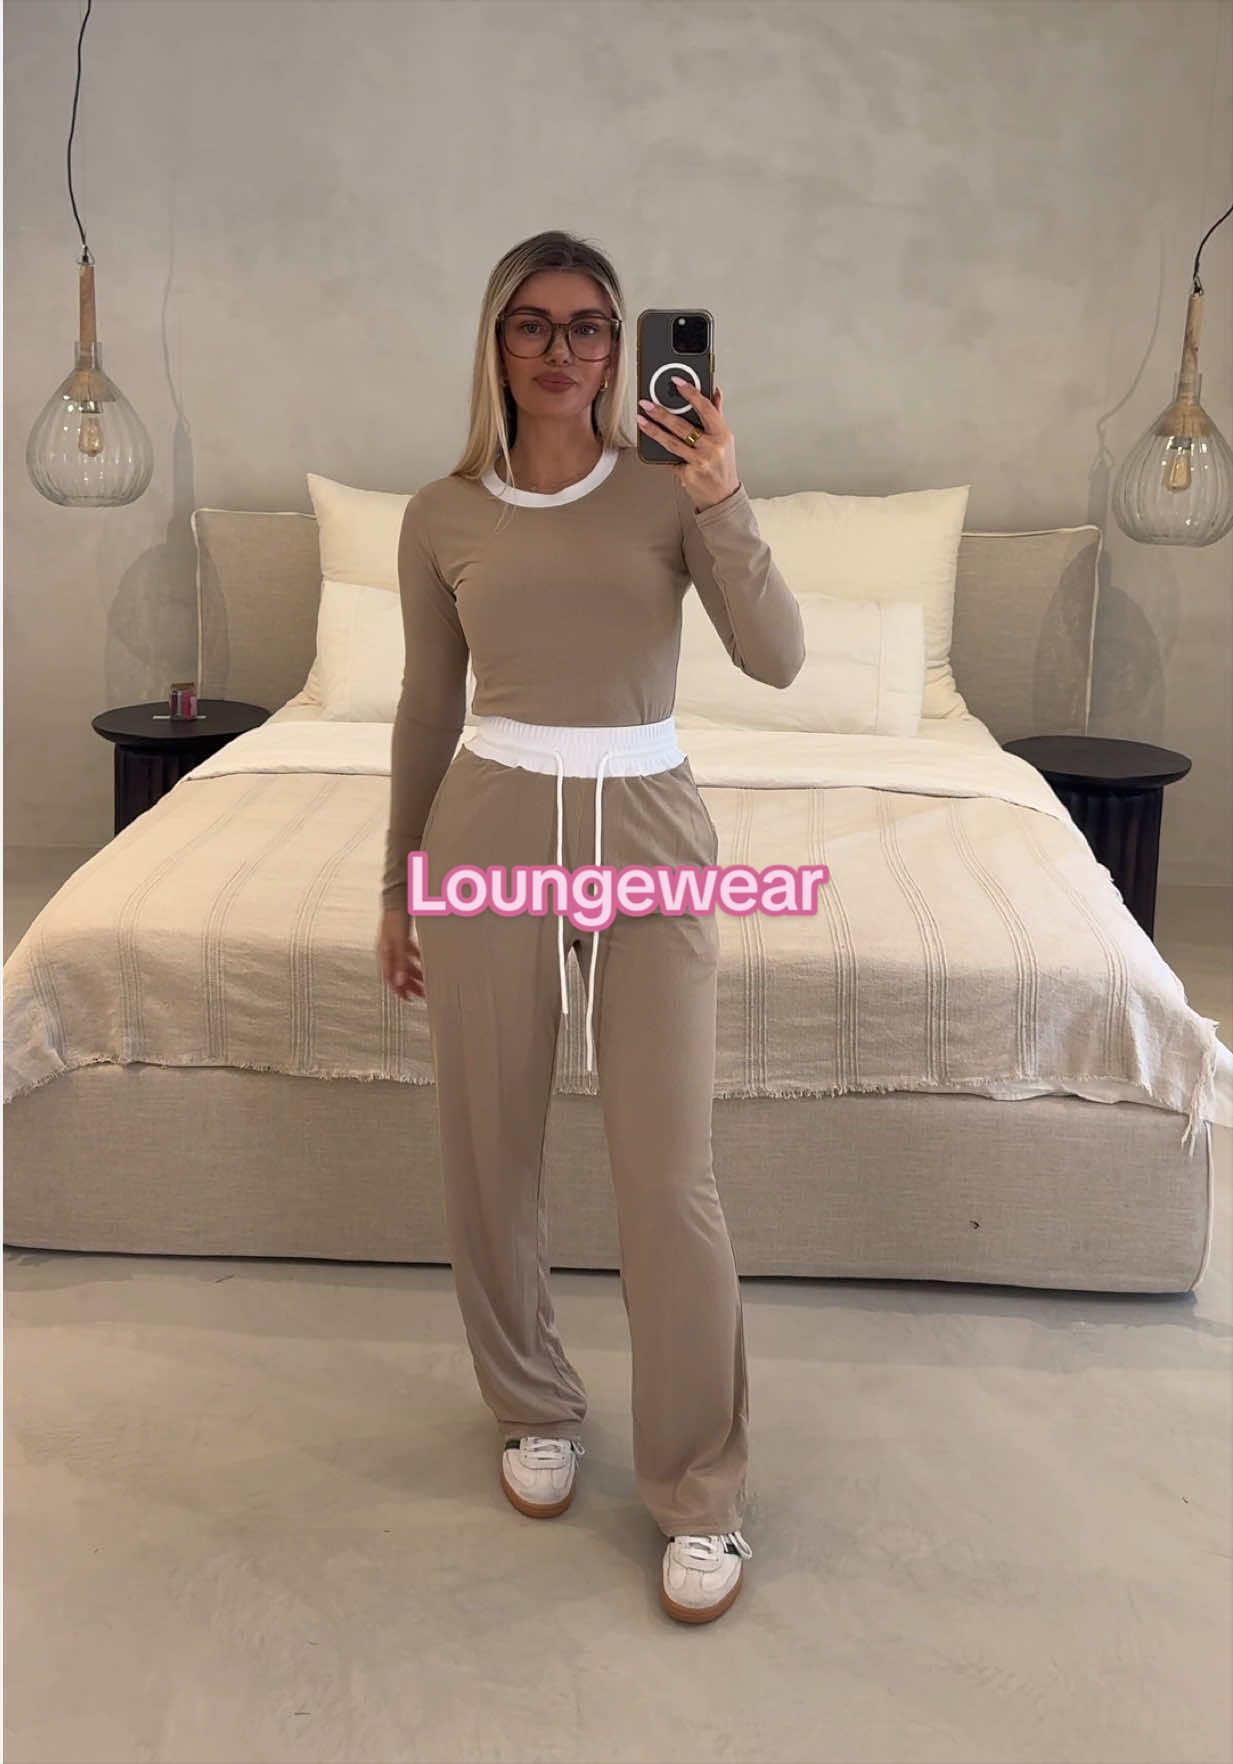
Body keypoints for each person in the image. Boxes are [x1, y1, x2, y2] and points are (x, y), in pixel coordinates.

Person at [376, 230, 804, 1624]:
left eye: (589, 327)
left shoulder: (671, 489)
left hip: (649, 831)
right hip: (489, 825)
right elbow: (427, 708)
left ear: (623, 349)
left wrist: (724, 497)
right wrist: (399, 882)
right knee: (488, 1148)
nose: (562, 351)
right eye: (534, 324)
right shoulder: (440, 514)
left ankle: (701, 1487)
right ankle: (532, 1404)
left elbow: (778, 657)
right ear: (496, 342)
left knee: (666, 1175)